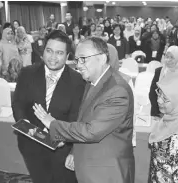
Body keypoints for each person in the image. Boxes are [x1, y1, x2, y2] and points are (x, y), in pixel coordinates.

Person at [32, 37, 135, 183]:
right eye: (76, 60)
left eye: (83, 59)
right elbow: (83, 120)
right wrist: (73, 148)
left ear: (102, 58)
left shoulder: (116, 90)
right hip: (91, 167)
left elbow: (91, 131)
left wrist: (53, 124)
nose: (78, 65)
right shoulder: (92, 82)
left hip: (107, 173)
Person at [12, 30, 86, 183]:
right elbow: (18, 105)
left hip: (62, 149)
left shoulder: (77, 81)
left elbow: (77, 117)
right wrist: (33, 133)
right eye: (49, 51)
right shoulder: (27, 73)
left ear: (67, 56)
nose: (53, 57)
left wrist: (70, 146)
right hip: (31, 144)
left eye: (59, 53)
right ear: (43, 51)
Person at [149, 46, 178, 118]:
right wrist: (159, 112)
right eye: (167, 57)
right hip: (158, 113)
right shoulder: (159, 72)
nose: (168, 60)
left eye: (172, 57)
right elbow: (152, 93)